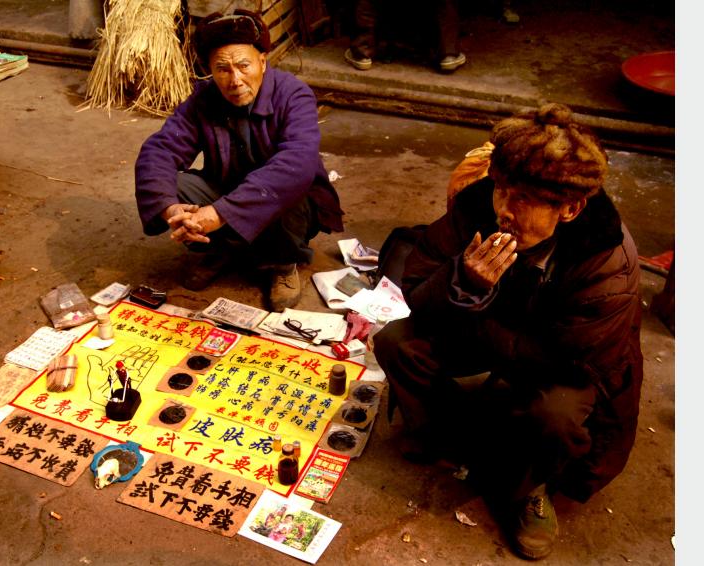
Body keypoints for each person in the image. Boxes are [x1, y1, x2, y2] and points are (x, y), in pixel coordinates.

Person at [373, 103, 643, 560]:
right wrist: (463, 282)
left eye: (523, 200)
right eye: (502, 191)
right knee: (396, 341)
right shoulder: (477, 207)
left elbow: (572, 357)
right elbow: (417, 283)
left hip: (561, 361)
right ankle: (446, 436)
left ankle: (530, 488)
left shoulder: (605, 258)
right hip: (491, 326)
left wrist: (476, 315)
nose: (504, 210)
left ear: (570, 208)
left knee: (554, 414)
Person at [134, 9, 344, 311]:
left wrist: (219, 214)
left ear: (262, 61)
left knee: (290, 187)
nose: (235, 80)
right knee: (175, 187)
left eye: (244, 66)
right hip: (227, 190)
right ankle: (223, 249)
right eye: (222, 69)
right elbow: (160, 151)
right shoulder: (204, 99)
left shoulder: (293, 95)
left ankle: (283, 264)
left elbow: (297, 163)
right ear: (209, 69)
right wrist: (171, 209)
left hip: (282, 204)